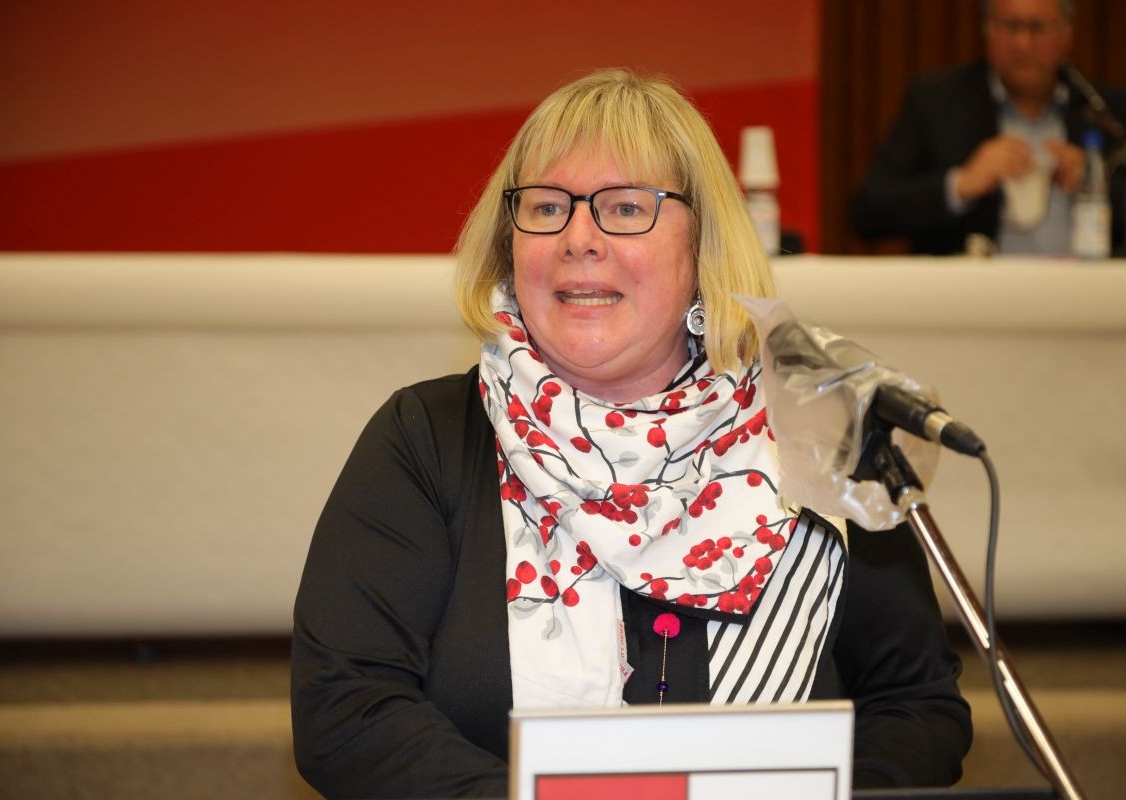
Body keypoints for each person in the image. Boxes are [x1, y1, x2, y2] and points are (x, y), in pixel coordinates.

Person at [291, 68, 972, 798]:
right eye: (547, 207)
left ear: (702, 246)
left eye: (624, 208)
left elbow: (915, 708)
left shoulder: (818, 430)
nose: (579, 239)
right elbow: (348, 708)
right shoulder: (426, 439)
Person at [850, 0, 1126, 256]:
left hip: (1088, 303)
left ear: (1067, 33)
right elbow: (868, 211)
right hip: (972, 304)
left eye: (1037, 27)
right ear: (987, 30)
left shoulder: (1107, 110)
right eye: (1010, 26)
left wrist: (1098, 186)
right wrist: (961, 184)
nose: (1023, 43)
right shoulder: (936, 102)